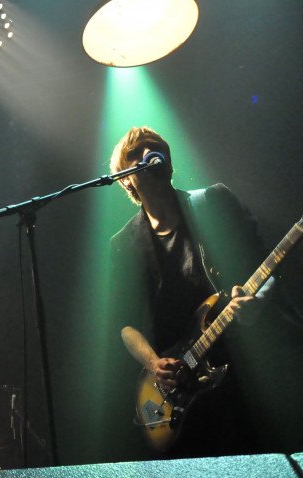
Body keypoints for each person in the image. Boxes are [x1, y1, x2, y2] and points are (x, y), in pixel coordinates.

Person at [107, 126, 280, 458]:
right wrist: (155, 363)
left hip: (241, 373)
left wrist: (259, 300)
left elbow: (266, 265)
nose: (149, 154)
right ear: (126, 179)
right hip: (181, 390)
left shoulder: (211, 202)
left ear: (169, 163)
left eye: (156, 147)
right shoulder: (123, 244)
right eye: (137, 152)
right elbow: (125, 324)